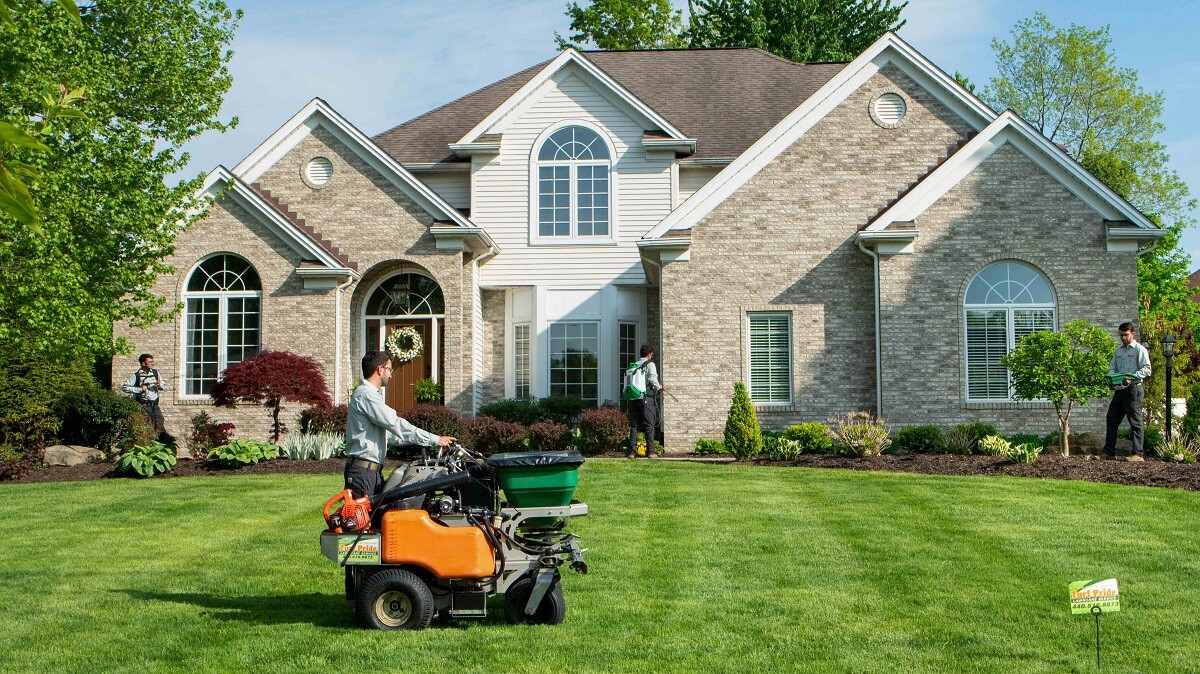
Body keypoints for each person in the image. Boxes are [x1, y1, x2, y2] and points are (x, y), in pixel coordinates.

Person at [344, 350, 455, 498]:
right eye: (390, 369)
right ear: (380, 369)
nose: (391, 374)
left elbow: (390, 435)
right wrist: (435, 439)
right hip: (364, 474)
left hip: (369, 472)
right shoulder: (367, 395)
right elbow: (396, 425)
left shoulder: (368, 394)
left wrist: (424, 442)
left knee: (379, 519)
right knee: (365, 521)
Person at [1102, 322, 1151, 461]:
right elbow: (1113, 368)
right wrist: (1111, 379)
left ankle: (1138, 454)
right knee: (1111, 420)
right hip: (1119, 391)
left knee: (1135, 422)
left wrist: (1133, 377)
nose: (1123, 338)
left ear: (1132, 334)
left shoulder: (1139, 350)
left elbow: (1147, 369)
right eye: (1121, 335)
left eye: (1126, 335)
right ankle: (1109, 452)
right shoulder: (1118, 351)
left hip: (1133, 390)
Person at [626, 344, 665, 459]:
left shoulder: (634, 365)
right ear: (649, 354)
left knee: (634, 426)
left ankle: (632, 452)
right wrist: (659, 387)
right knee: (649, 425)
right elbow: (653, 379)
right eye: (651, 354)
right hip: (646, 398)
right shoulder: (650, 364)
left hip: (634, 398)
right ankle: (651, 452)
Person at [122, 353, 165, 435]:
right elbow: (125, 387)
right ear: (143, 363)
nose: (152, 363)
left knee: (160, 424)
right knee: (147, 426)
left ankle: (159, 442)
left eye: (152, 361)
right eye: (150, 362)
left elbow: (162, 384)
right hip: (143, 406)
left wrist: (160, 385)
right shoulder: (136, 376)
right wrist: (139, 389)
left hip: (155, 406)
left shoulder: (156, 373)